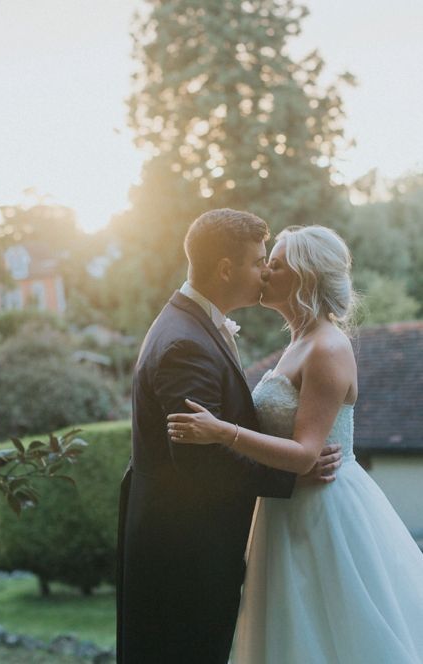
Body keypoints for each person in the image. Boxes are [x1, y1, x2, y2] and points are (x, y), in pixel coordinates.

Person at [168, 224, 423, 663]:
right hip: (283, 510)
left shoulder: (327, 348)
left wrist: (221, 431)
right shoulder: (297, 343)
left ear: (304, 277)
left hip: (323, 512)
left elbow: (306, 455)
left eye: (277, 264)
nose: (265, 270)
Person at [116, 209, 340, 664]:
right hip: (185, 552)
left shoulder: (192, 324)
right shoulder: (185, 344)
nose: (266, 271)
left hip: (183, 541)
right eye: (260, 261)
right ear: (225, 268)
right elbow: (201, 462)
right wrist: (291, 476)